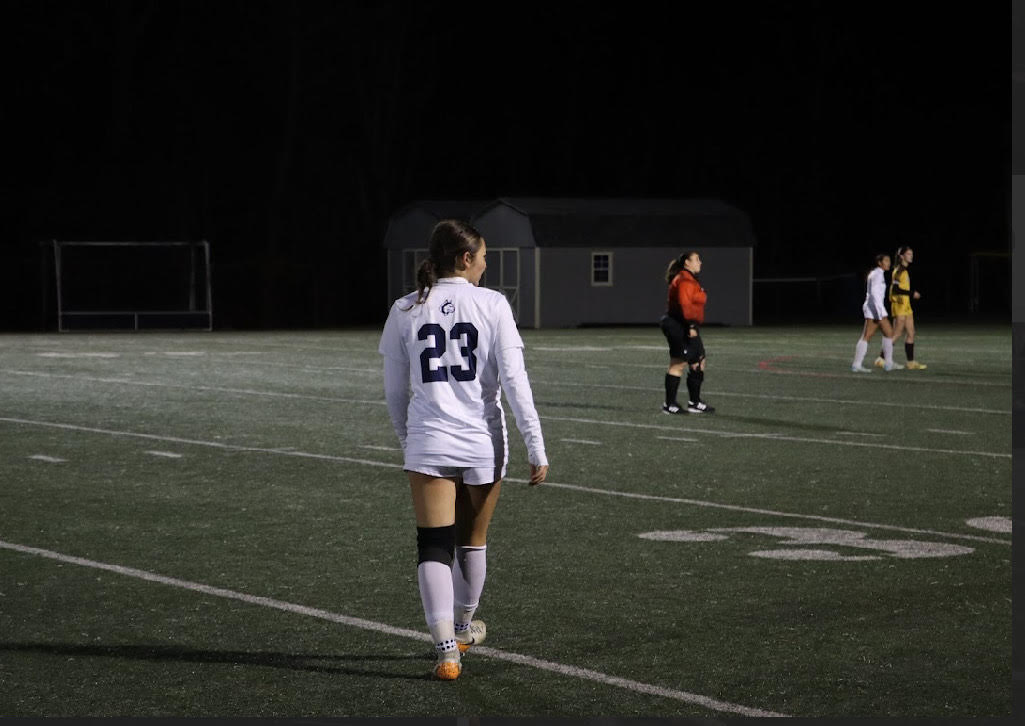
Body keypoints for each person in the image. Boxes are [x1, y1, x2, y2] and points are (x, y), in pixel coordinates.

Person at [378, 219, 549, 681]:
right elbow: (515, 381)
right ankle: (460, 629)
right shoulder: (492, 303)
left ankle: (447, 649)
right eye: (484, 256)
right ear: (465, 259)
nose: (487, 264)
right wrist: (536, 443)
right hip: (480, 443)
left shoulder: (404, 308)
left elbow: (395, 391)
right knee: (472, 541)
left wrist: (407, 439)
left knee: (432, 545)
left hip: (428, 441)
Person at [659, 251, 714, 413]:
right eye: (697, 259)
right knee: (678, 363)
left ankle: (694, 402)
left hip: (688, 324)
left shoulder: (691, 280)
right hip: (679, 325)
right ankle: (669, 405)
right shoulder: (684, 280)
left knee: (699, 361)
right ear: (687, 263)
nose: (700, 262)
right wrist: (690, 326)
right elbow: (685, 305)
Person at [873, 245, 927, 369]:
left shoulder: (904, 270)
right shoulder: (899, 271)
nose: (911, 256)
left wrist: (910, 295)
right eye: (908, 254)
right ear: (902, 256)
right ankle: (880, 359)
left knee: (911, 333)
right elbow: (896, 289)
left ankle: (910, 362)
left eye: (911, 253)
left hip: (906, 305)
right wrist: (912, 293)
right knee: (896, 333)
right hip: (900, 305)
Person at [851, 253, 904, 372]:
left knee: (886, 333)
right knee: (871, 335)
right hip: (875, 309)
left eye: (889, 261)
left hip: (875, 308)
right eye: (886, 261)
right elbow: (874, 294)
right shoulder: (877, 275)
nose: (889, 263)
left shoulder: (877, 273)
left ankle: (887, 363)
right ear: (879, 263)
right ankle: (858, 364)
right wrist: (879, 313)